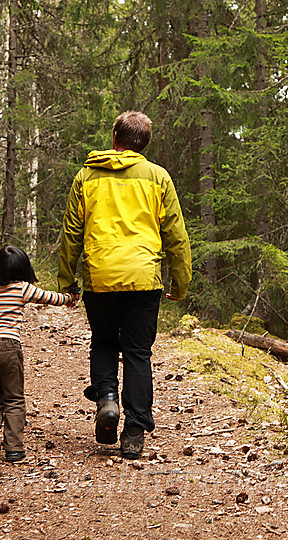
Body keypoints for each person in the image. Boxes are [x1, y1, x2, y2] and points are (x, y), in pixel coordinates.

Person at [57, 110, 192, 459]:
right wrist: (181, 281)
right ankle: (134, 431)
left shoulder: (86, 176)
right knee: (137, 353)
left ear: (114, 138)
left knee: (103, 341)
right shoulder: (158, 177)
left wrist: (67, 281)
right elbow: (176, 235)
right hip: (144, 278)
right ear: (144, 144)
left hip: (100, 276)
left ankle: (107, 399)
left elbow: (71, 232)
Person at [0, 245, 75, 462]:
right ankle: (14, 448)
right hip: (8, 347)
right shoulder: (22, 288)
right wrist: (69, 299)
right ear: (24, 269)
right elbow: (49, 297)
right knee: (14, 397)